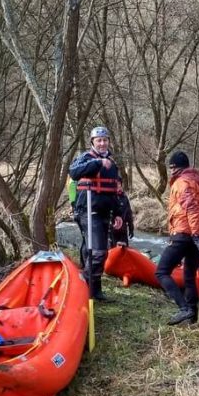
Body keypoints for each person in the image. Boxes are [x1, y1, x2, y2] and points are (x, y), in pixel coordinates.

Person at [68, 126, 124, 301]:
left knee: (93, 250)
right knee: (98, 251)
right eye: (99, 140)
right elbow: (74, 172)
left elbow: (114, 191)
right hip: (87, 210)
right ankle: (82, 284)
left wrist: (118, 214)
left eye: (105, 140)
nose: (102, 143)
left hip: (104, 211)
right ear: (92, 142)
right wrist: (98, 163)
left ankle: (94, 290)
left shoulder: (112, 164)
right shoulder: (86, 158)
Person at [155, 150, 199, 325]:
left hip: (185, 234)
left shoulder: (182, 183)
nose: (171, 171)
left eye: (173, 167)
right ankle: (192, 315)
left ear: (180, 168)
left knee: (162, 271)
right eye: (170, 167)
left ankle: (183, 308)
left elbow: (192, 208)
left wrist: (193, 234)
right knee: (189, 276)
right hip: (197, 235)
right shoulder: (197, 183)